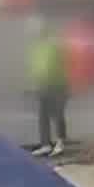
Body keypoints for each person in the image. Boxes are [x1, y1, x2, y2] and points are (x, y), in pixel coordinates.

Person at [27, 17, 69, 156]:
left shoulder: (55, 46)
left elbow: (61, 66)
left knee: (57, 115)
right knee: (43, 115)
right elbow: (36, 68)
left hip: (57, 85)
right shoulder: (38, 48)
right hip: (44, 86)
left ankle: (60, 142)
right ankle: (45, 144)